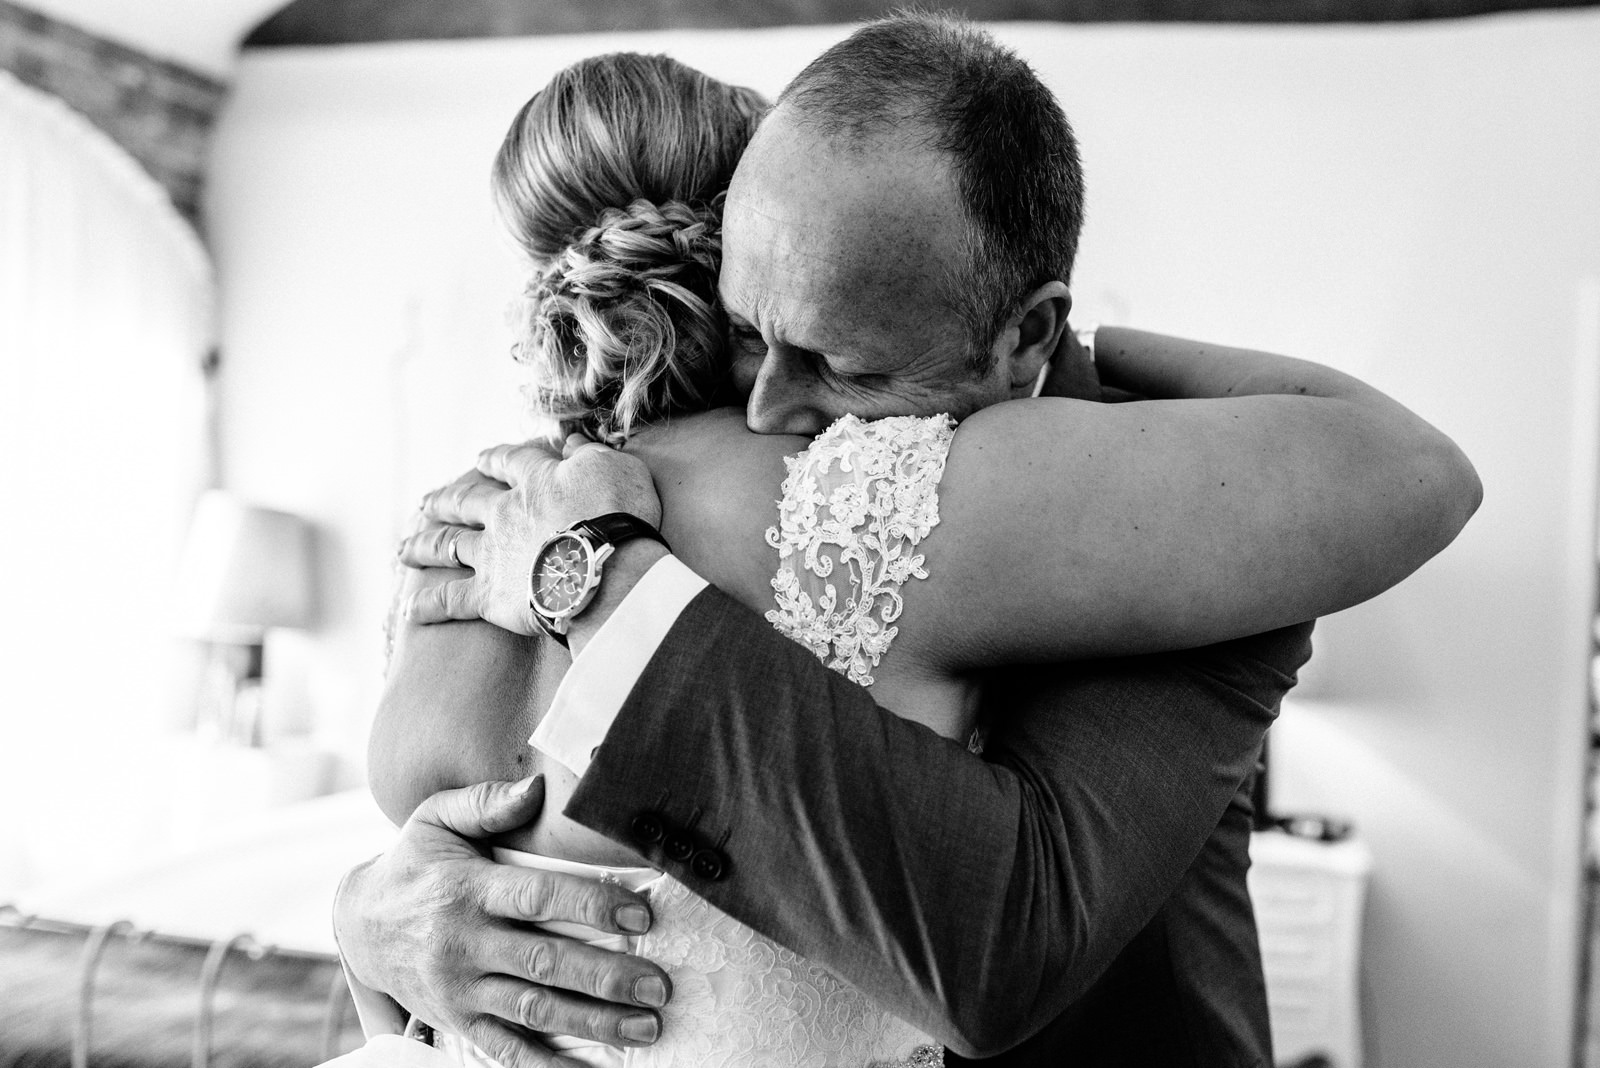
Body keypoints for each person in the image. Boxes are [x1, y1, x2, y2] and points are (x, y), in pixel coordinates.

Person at [335, 18, 1482, 1068]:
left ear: (1026, 329)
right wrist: (369, 914)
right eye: (749, 334)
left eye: (845, 367)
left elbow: (991, 947)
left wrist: (598, 577)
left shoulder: (1177, 500)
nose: (777, 412)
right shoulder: (553, 503)